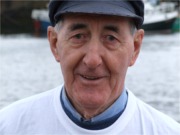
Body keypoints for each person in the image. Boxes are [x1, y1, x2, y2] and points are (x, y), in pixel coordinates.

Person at [0, 0, 180, 134]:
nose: (92, 60)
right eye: (78, 36)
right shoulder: (8, 126)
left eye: (111, 38)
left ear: (136, 48)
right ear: (54, 43)